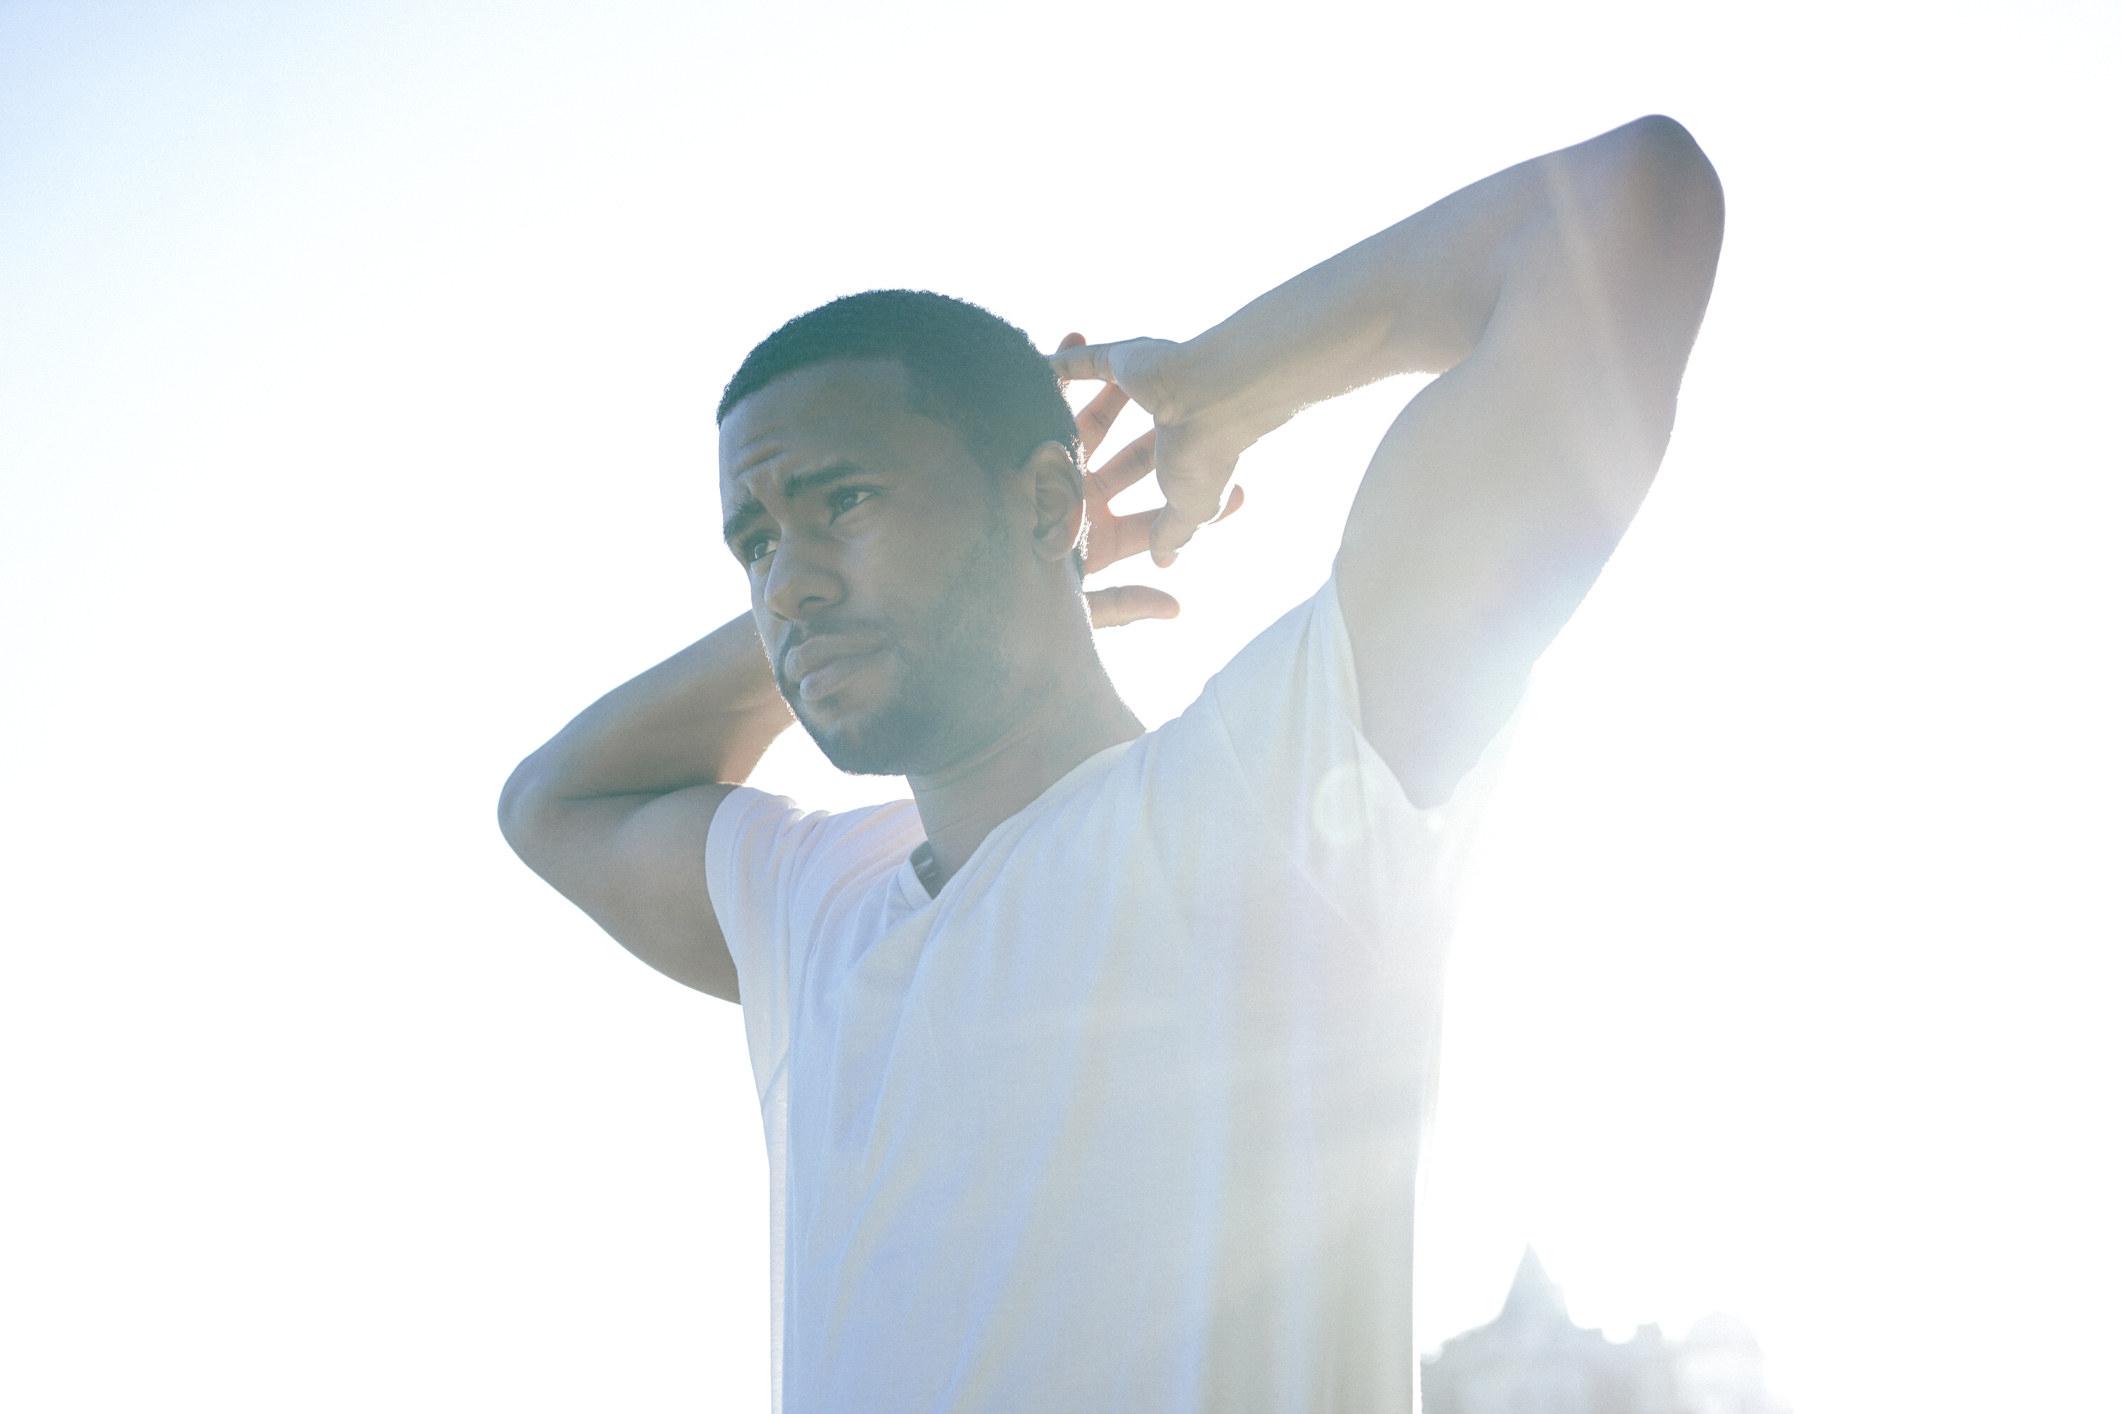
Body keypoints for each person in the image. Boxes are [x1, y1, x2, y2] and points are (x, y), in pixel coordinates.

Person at [499, 115, 1722, 1413]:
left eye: (843, 500)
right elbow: (550, 801)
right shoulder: (814, 912)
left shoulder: (1272, 782)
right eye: (753, 542)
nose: (782, 586)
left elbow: (1627, 208)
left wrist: (1229, 381)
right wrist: (847, 594)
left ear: (1042, 500)